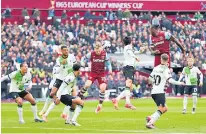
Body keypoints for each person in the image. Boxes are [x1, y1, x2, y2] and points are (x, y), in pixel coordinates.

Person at [146, 54, 185, 129]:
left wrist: (153, 83)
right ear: (168, 60)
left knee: (165, 108)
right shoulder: (166, 70)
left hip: (153, 92)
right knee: (162, 109)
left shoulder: (156, 68)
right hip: (160, 92)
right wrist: (180, 83)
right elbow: (170, 80)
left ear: (161, 59)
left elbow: (149, 79)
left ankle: (150, 117)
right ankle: (150, 123)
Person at [42, 46, 76, 120]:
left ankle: (64, 113)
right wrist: (61, 65)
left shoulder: (72, 57)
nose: (66, 51)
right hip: (60, 80)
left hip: (68, 81)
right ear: (62, 51)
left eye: (67, 50)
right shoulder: (59, 59)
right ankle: (45, 112)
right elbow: (56, 71)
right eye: (65, 50)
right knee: (54, 95)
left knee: (71, 98)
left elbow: (75, 66)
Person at [79, 42, 112, 113]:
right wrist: (82, 63)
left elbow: (109, 64)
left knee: (102, 88)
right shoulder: (91, 53)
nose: (98, 52)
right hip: (93, 73)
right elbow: (83, 58)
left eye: (99, 50)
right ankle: (79, 97)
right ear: (95, 49)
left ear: (101, 48)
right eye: (96, 51)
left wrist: (110, 70)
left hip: (101, 74)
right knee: (87, 85)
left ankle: (100, 105)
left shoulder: (104, 54)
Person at [112, 36, 139, 110]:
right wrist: (135, 57)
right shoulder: (128, 47)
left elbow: (131, 52)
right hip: (128, 68)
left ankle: (116, 99)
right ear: (130, 41)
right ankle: (127, 103)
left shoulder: (127, 47)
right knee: (128, 84)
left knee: (130, 88)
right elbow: (130, 53)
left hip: (129, 68)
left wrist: (140, 51)